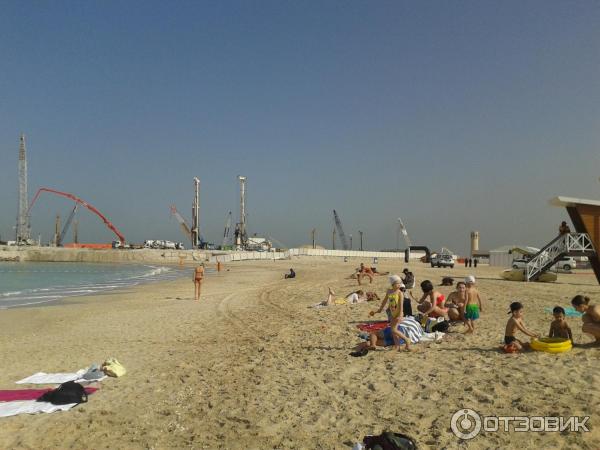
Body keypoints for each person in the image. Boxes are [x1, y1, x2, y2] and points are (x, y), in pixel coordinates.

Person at [353, 316, 422, 353]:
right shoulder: (420, 330)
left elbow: (397, 320)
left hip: (400, 330)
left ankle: (373, 344)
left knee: (374, 333)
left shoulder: (410, 319)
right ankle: (371, 343)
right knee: (380, 341)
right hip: (401, 340)